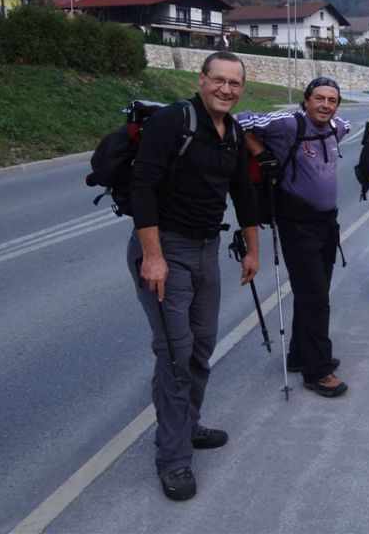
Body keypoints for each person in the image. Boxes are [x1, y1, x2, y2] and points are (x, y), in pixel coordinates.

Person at [127, 51, 260, 502]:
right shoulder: (173, 122)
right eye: (218, 80)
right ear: (201, 80)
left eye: (235, 83)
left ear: (242, 88)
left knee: (202, 346)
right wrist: (152, 256)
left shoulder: (234, 132)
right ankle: (173, 458)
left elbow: (243, 192)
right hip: (165, 249)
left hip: (206, 250)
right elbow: (142, 186)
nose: (227, 89)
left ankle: (188, 425)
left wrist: (252, 251)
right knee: (175, 355)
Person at [237, 76, 351, 398]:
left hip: (327, 224)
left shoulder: (336, 127)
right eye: (319, 98)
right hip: (297, 225)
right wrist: (261, 153)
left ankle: (301, 355)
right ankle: (318, 371)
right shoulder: (288, 124)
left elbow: (347, 124)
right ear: (306, 100)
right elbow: (240, 120)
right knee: (316, 297)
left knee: (313, 292)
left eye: (332, 100)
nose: (325, 105)